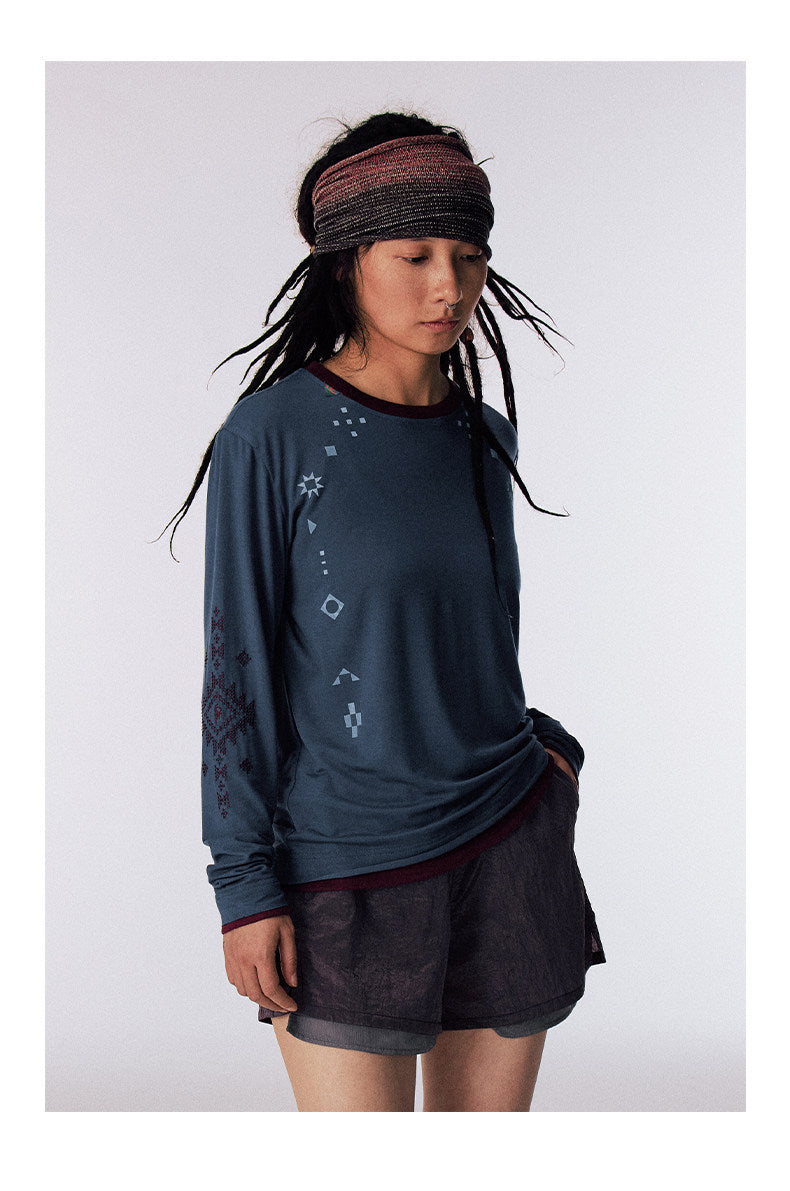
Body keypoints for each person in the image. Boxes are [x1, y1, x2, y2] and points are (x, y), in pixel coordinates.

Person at [162, 110, 606, 1112]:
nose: (450, 285)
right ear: (346, 260)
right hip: (344, 865)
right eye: (415, 256)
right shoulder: (272, 434)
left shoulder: (483, 437)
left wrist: (551, 758)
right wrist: (244, 886)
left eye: (469, 257)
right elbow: (236, 672)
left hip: (508, 845)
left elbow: (482, 640)